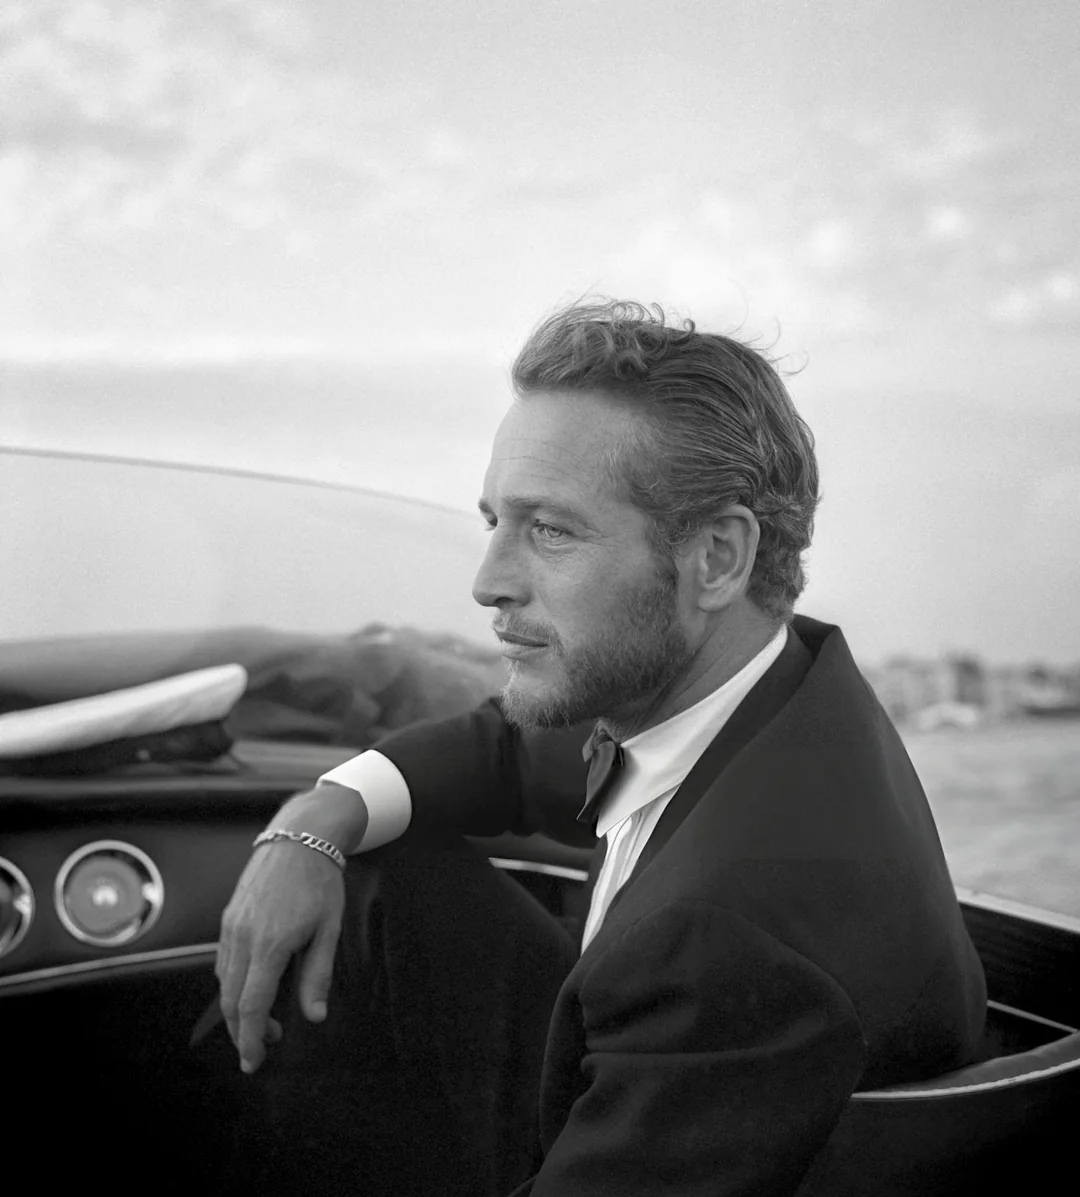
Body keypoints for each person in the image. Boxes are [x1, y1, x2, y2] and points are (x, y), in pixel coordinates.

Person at [210, 300, 987, 1196]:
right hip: (638, 1093)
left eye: (550, 530)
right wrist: (312, 823)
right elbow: (503, 753)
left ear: (719, 557)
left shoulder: (726, 943)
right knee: (374, 873)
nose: (488, 581)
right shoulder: (768, 687)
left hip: (635, 1129)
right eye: (494, 520)